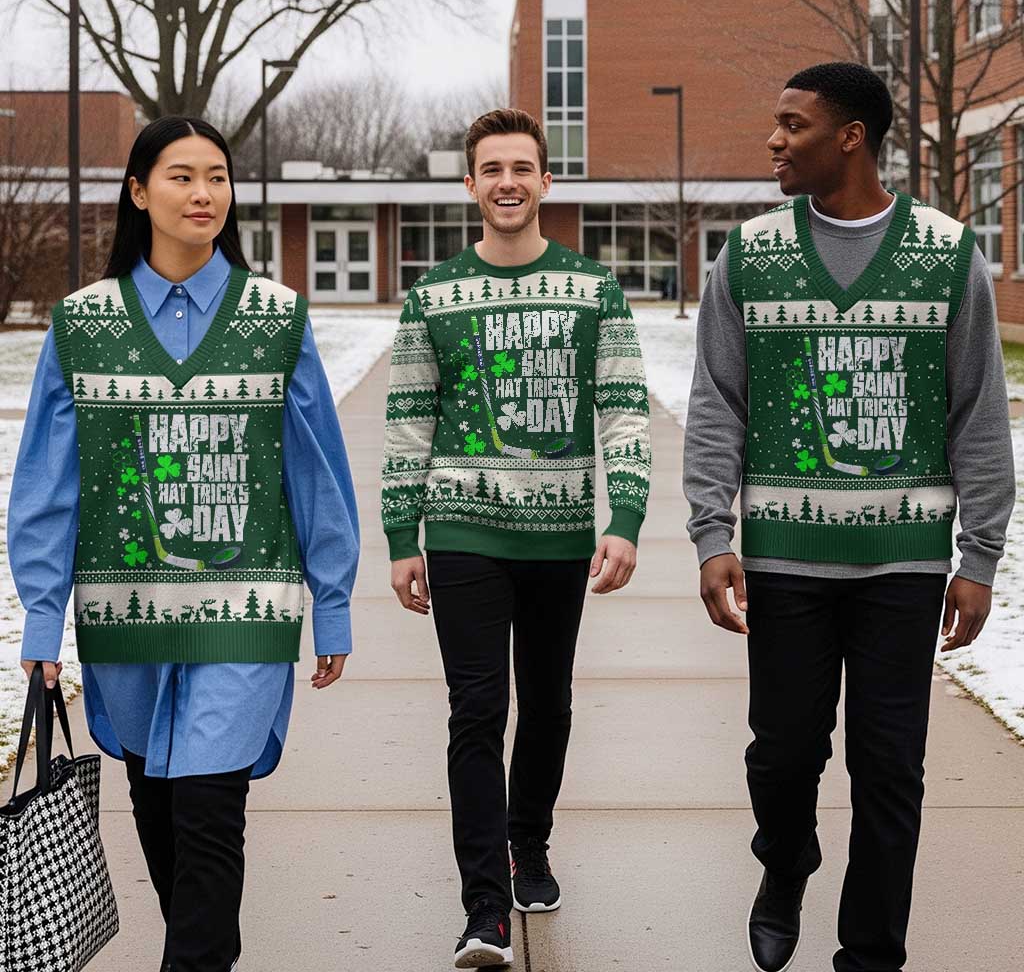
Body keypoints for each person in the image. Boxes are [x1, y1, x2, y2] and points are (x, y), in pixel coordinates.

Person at [684, 61, 1015, 972]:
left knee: (889, 771)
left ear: (851, 137)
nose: (774, 140)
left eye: (793, 124)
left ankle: (871, 953)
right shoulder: (750, 253)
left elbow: (977, 411)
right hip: (786, 561)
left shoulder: (946, 254)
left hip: (904, 566)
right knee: (782, 757)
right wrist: (713, 534)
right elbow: (718, 402)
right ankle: (784, 862)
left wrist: (980, 556)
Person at [11, 116, 359, 972]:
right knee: (159, 808)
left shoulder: (276, 319)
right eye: (180, 177)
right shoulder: (82, 324)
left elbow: (315, 470)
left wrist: (334, 602)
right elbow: (47, 486)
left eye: (216, 177)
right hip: (123, 615)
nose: (203, 194)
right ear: (138, 192)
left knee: (210, 811)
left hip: (245, 612)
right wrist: (42, 624)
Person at [381, 108, 652, 969]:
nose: (507, 182)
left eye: (522, 168)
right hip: (463, 527)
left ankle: (527, 844)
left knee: (549, 701)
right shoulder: (433, 296)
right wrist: (401, 534)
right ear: (469, 184)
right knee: (477, 709)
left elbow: (623, 408)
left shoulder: (593, 288)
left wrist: (627, 518)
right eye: (491, 168)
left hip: (561, 536)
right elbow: (407, 422)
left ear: (546, 181)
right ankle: (484, 909)